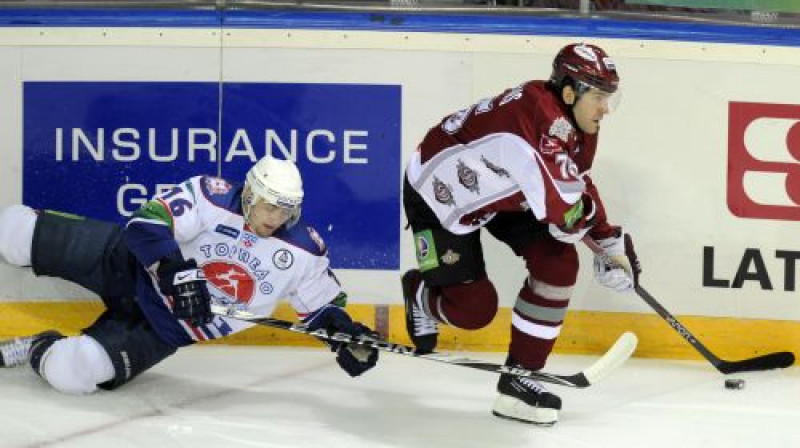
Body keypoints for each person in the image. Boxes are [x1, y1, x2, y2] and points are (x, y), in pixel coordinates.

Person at [401, 42, 641, 426]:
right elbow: (565, 218)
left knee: (558, 265)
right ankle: (419, 294)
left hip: (502, 191)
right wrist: (598, 236)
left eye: (608, 97)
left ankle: (517, 383)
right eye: (598, 96)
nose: (605, 108)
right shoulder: (537, 130)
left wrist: (608, 240)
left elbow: (576, 182)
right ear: (569, 91)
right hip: (439, 196)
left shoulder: (574, 120)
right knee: (475, 311)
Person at [0, 156, 379, 394]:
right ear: (249, 193)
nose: (274, 219)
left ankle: (39, 346)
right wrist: (176, 272)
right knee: (12, 230)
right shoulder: (210, 195)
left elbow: (323, 309)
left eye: (285, 212)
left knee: (71, 373)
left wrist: (345, 336)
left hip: (160, 329)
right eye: (268, 207)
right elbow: (146, 223)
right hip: (127, 264)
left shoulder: (304, 250)